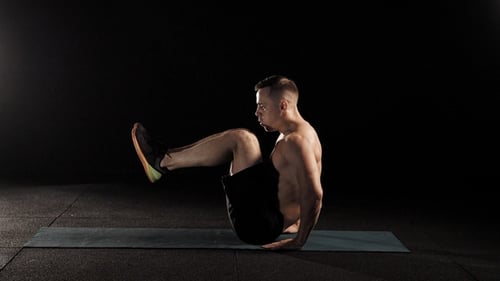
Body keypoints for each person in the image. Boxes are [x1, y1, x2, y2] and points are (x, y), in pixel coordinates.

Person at [131, 75, 323, 250]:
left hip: (258, 225)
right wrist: (293, 221)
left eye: (262, 106)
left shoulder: (295, 142)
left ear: (283, 106)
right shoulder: (305, 133)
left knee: (242, 139)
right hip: (270, 215)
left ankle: (161, 161)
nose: (257, 113)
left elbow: (314, 194)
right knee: (247, 141)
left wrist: (299, 241)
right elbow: (297, 184)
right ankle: (164, 158)